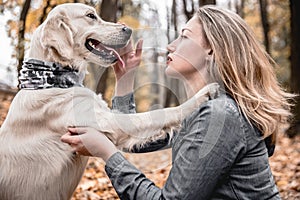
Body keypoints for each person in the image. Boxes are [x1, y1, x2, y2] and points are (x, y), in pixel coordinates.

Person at [61, 5, 293, 199]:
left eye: (184, 36)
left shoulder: (220, 114)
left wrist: (106, 152)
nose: (170, 45)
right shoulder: (207, 109)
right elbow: (135, 140)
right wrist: (125, 79)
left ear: (211, 48)